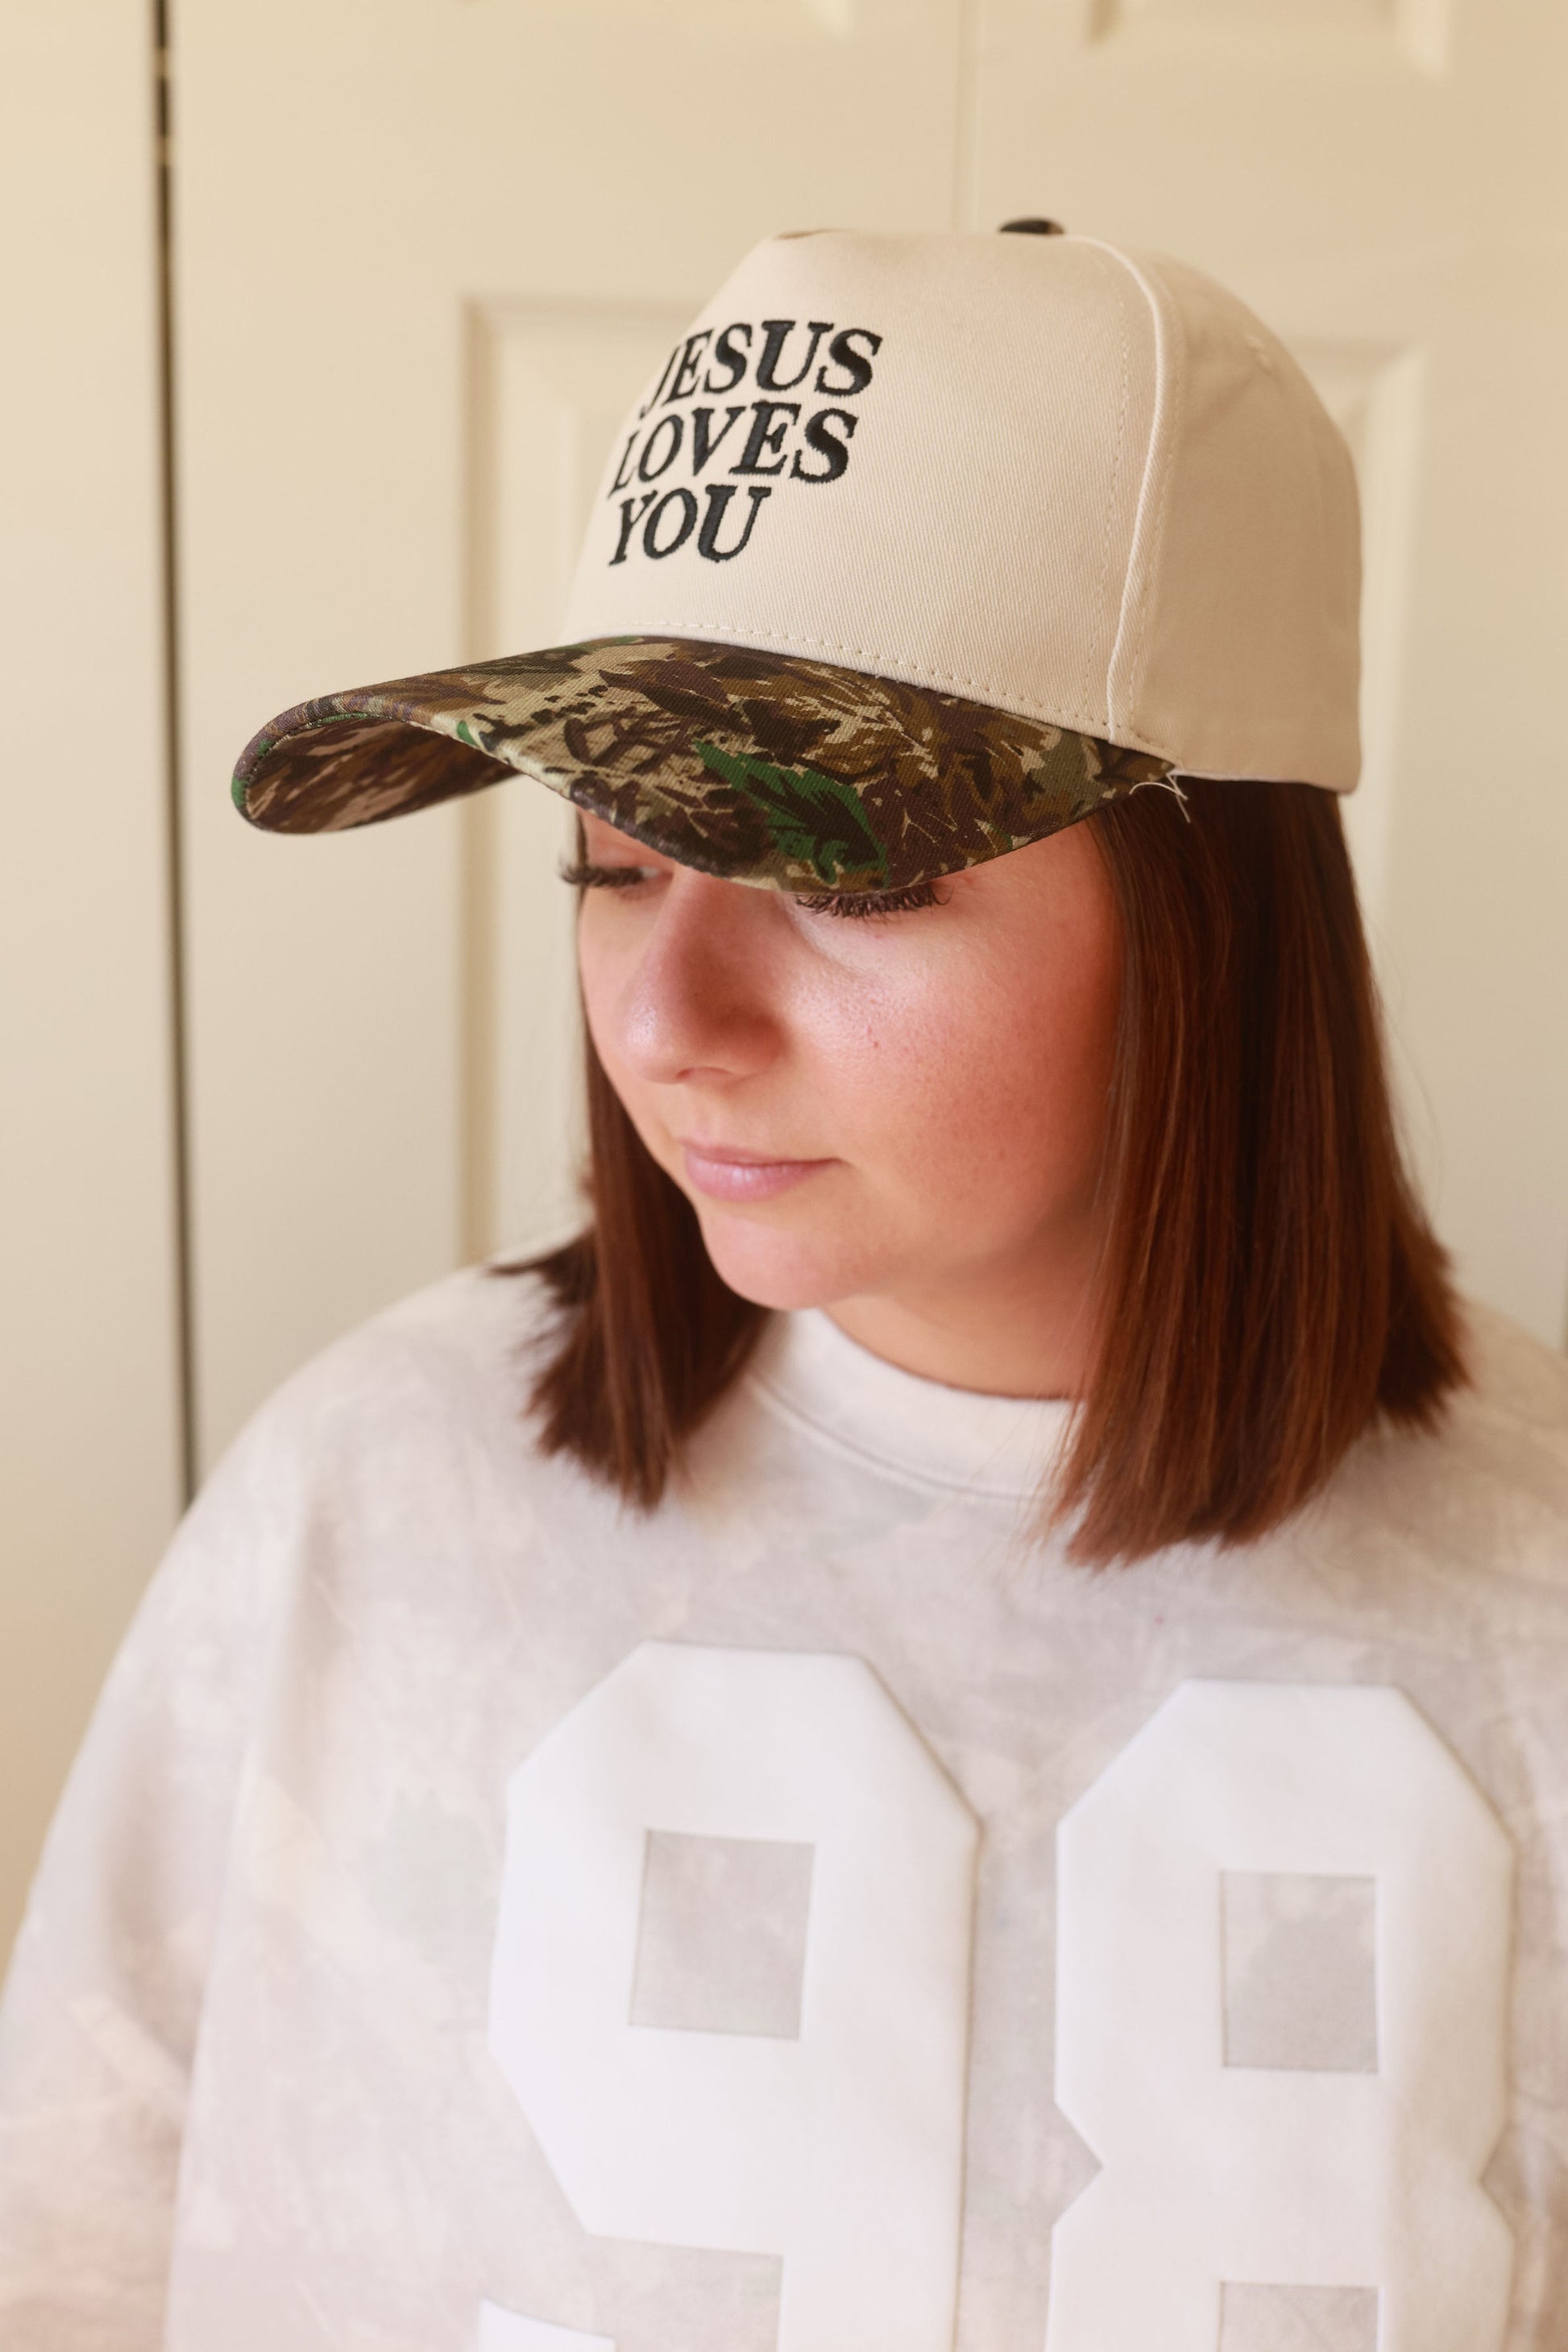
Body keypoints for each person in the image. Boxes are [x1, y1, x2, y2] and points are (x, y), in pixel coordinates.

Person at [2, 224, 1566, 2352]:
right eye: (613, 861)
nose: (667, 1020)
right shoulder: (371, 1490)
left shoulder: (1529, 1583)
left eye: (840, 876)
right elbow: (75, 2253)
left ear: (1216, 916)